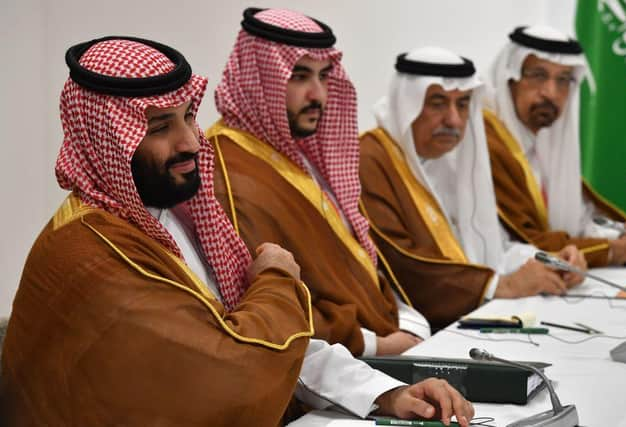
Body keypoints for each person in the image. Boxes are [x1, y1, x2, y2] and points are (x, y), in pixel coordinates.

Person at [0, 37, 474, 426]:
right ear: (107, 140)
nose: (191, 141)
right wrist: (275, 277)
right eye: (161, 126)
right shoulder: (92, 252)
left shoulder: (173, 215)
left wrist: (387, 393)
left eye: (189, 116)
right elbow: (238, 367)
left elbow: (279, 346)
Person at [208, 7, 430, 356]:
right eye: (299, 76)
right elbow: (263, 301)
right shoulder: (228, 172)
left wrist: (402, 319)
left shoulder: (301, 155)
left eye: (324, 76)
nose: (318, 94)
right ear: (258, 79)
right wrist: (375, 345)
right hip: (328, 372)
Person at [359, 47, 586, 330]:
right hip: (410, 328)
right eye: (438, 103)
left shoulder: (453, 159)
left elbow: (489, 246)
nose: (453, 120)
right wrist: (499, 286)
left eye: (463, 104)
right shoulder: (370, 159)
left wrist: (546, 261)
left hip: (468, 315)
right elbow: (404, 264)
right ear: (408, 105)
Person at [484, 25, 626, 268]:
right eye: (538, 76)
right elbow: (519, 242)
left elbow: (582, 222)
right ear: (510, 77)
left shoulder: (545, 143)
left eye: (563, 80)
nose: (551, 93)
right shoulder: (486, 145)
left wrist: (624, 236)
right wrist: (617, 250)